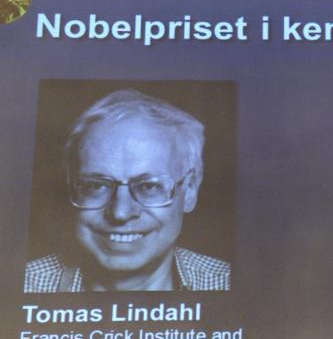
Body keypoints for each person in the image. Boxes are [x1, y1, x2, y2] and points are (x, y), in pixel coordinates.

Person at [24, 89, 230, 292]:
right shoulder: (22, 285)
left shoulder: (231, 285)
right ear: (72, 185)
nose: (120, 213)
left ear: (191, 188)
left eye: (148, 186)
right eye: (97, 185)